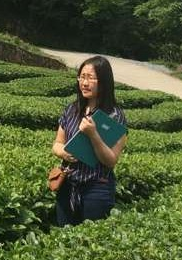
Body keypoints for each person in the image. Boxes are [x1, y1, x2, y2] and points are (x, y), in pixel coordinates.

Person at [51, 55, 127, 226]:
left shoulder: (114, 116)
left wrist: (93, 135)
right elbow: (57, 144)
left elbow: (111, 160)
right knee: (64, 235)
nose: (84, 83)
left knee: (90, 237)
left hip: (97, 189)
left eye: (90, 78)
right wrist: (63, 152)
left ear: (104, 82)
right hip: (67, 185)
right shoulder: (72, 109)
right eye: (82, 77)